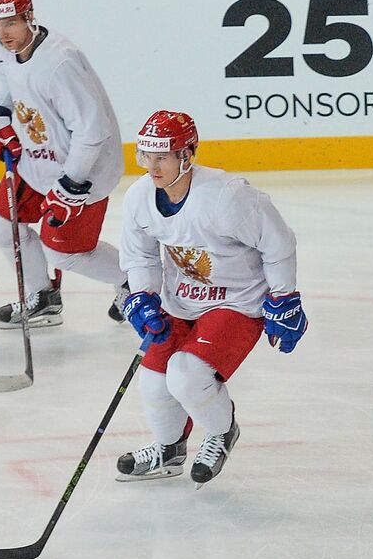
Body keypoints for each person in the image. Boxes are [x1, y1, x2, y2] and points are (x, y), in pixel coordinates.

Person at [115, 111, 306, 486]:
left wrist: (284, 297)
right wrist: (144, 296)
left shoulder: (227, 197)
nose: (152, 168)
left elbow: (278, 242)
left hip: (236, 302)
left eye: (162, 157)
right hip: (180, 302)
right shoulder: (139, 198)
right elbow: (140, 256)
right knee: (154, 383)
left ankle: (221, 432)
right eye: (146, 157)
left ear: (188, 154)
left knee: (186, 377)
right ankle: (169, 450)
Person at [0, 0, 127, 330]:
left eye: (10, 23)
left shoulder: (60, 63)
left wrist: (70, 184)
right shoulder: (7, 48)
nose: (3, 33)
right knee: (3, 228)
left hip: (84, 171)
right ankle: (43, 297)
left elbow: (92, 131)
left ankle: (139, 283)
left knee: (66, 253)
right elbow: (5, 81)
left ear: (29, 16)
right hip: (36, 162)